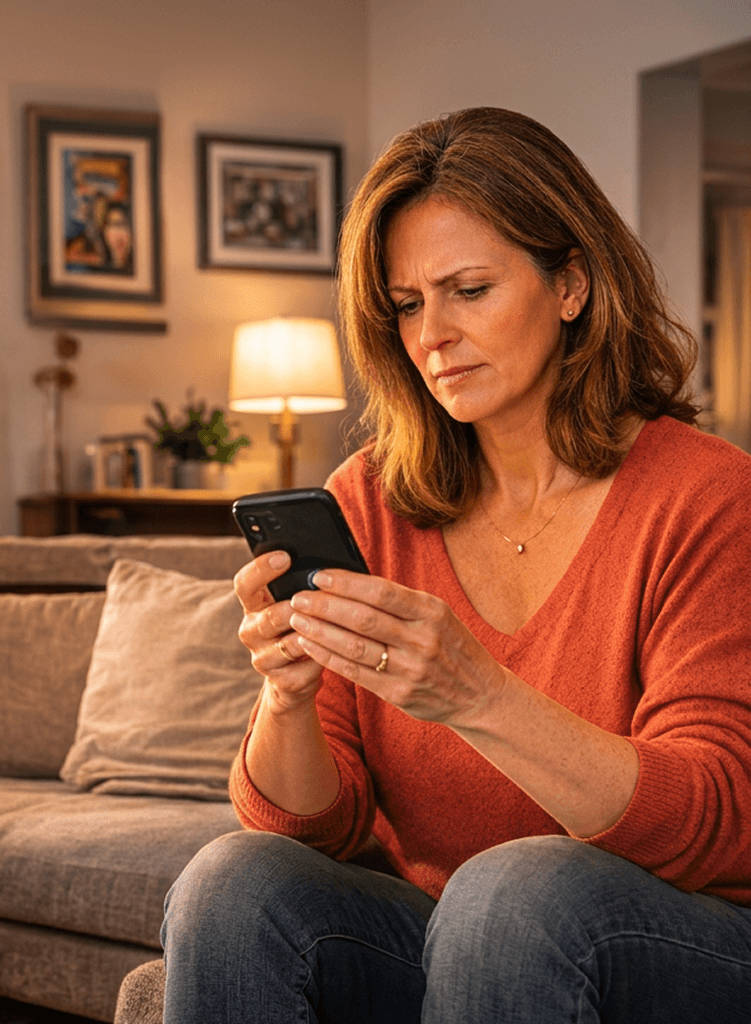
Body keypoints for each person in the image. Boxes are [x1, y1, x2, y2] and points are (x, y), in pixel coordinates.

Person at [162, 106, 751, 1021]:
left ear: (572, 285)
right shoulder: (371, 497)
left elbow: (715, 824)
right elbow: (314, 824)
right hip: (453, 932)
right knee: (233, 880)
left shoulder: (706, 495)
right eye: (407, 304)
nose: (431, 332)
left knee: (511, 895)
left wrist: (477, 696)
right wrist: (289, 698)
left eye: (468, 290)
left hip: (680, 936)